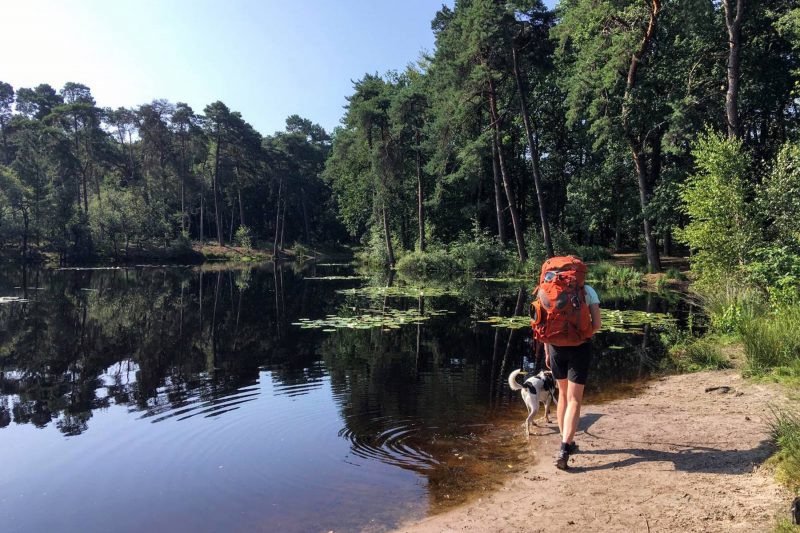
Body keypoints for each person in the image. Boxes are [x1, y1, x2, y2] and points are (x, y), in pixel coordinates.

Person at [544, 284, 601, 470]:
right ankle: (565, 448)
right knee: (574, 399)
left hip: (555, 347)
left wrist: (547, 351)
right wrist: (581, 337)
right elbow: (597, 324)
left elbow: (542, 325)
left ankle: (565, 441)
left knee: (562, 395)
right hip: (580, 348)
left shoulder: (546, 290)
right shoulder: (588, 291)